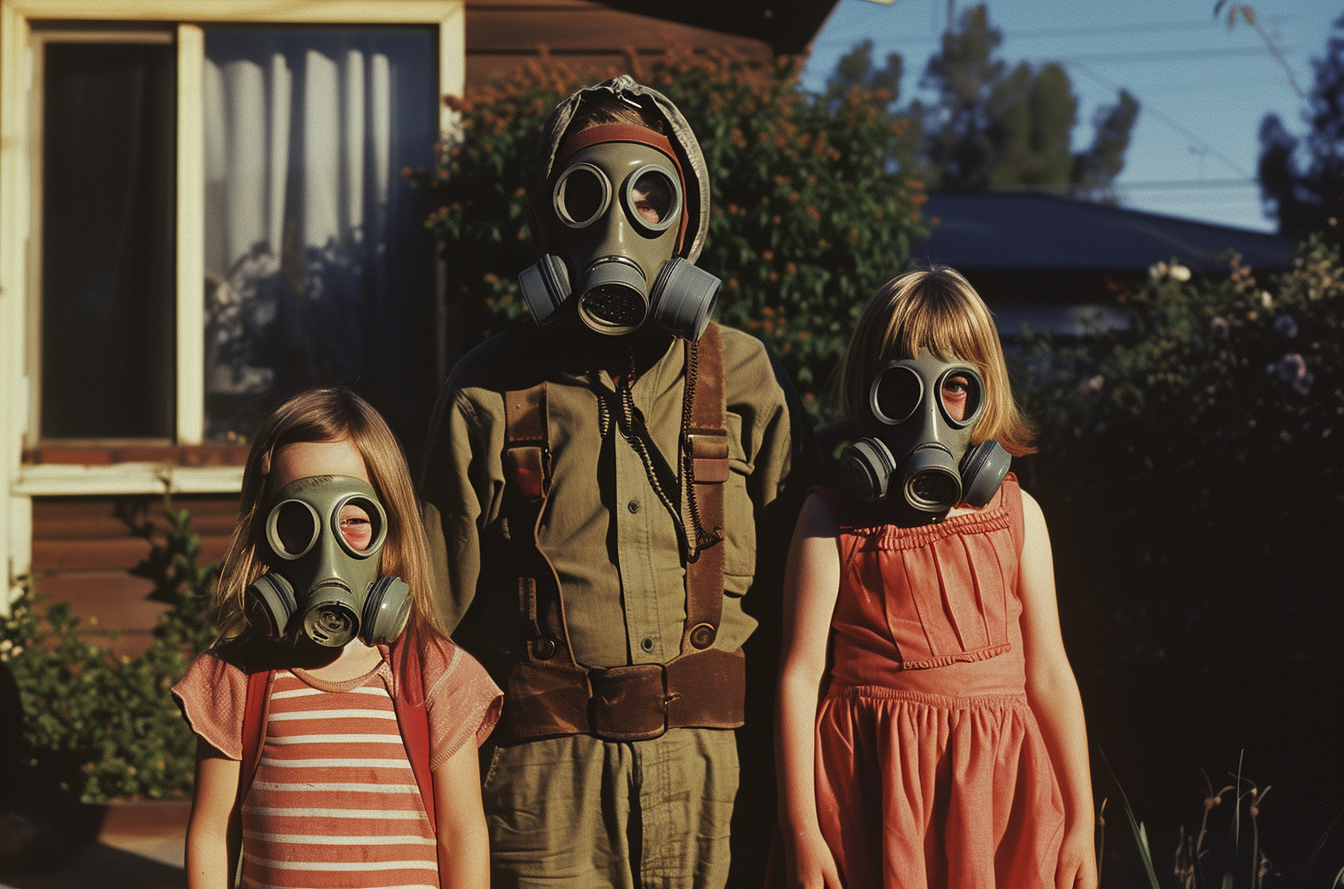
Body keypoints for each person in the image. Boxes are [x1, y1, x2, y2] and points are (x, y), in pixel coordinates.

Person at [420, 76, 802, 888]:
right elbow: (427, 622)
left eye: (650, 198)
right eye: (584, 196)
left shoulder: (741, 375)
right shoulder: (485, 390)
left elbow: (808, 595)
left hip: (715, 785)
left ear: (686, 223)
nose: (617, 228)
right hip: (546, 796)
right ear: (549, 221)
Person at [774, 267, 1097, 888]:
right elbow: (800, 673)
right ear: (868, 392)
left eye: (956, 387)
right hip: (875, 795)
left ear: (985, 391)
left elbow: (1050, 671)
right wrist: (802, 830)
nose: (930, 412)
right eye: (902, 389)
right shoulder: (832, 518)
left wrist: (1081, 820)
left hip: (999, 800)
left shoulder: (1016, 514)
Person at [174, 388, 502, 889]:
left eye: (353, 520)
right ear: (265, 530)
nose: (329, 549)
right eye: (299, 523)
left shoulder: (437, 675)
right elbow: (213, 834)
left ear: (388, 528)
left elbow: (462, 835)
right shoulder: (236, 677)